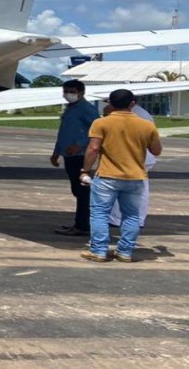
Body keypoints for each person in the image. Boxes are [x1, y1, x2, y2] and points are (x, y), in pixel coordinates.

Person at [79, 89, 162, 263]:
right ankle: (125, 252)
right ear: (132, 103)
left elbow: (93, 149)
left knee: (100, 214)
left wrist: (85, 170)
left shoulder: (101, 123)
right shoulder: (146, 125)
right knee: (131, 215)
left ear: (110, 103)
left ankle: (99, 251)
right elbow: (156, 150)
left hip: (108, 175)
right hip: (135, 176)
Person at [50, 79, 99, 236]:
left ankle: (82, 225)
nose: (68, 95)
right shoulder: (70, 109)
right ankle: (81, 222)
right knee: (77, 190)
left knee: (82, 191)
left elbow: (95, 130)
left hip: (80, 155)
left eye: (72, 91)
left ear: (82, 92)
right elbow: (64, 132)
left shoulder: (86, 109)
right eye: (66, 91)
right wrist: (56, 152)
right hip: (68, 154)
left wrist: (79, 144)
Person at [107, 101, 156, 229]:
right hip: (141, 157)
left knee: (121, 187)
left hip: (135, 157)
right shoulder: (143, 114)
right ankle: (137, 218)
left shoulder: (135, 115)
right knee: (140, 189)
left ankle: (117, 218)